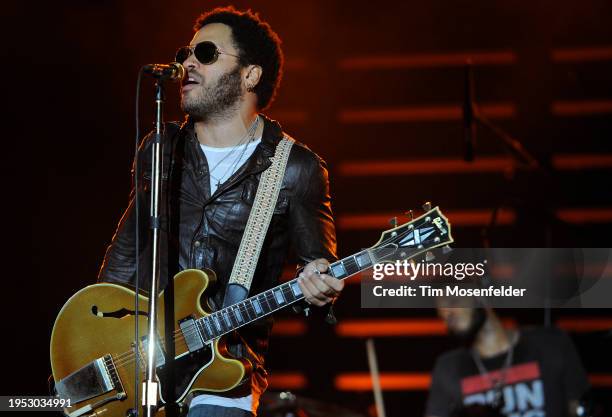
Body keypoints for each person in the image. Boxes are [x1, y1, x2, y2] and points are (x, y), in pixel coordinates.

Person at [97, 6, 343, 417]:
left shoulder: (295, 168)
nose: (187, 63)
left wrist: (319, 282)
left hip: (226, 371)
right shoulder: (162, 149)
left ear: (251, 75)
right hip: (144, 365)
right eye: (185, 53)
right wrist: (95, 339)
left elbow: (320, 266)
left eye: (206, 53)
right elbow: (124, 258)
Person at [425, 304, 590, 417]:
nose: (445, 311)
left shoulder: (550, 344)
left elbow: (580, 409)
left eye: (453, 297)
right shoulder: (448, 367)